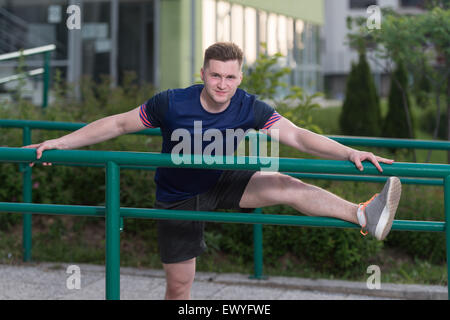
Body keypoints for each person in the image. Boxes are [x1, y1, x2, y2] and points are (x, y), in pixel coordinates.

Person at [25, 42, 402, 300]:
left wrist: (349, 151)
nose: (223, 85)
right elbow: (119, 125)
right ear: (203, 73)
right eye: (216, 75)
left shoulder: (249, 107)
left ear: (240, 78)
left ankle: (363, 214)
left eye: (231, 77)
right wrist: (61, 142)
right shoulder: (171, 103)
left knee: (285, 183)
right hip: (177, 196)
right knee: (179, 288)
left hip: (223, 179)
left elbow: (299, 138)